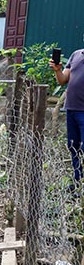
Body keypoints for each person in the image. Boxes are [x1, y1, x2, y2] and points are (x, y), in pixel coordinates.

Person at [50, 46, 84, 184]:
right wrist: (57, 70)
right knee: (73, 146)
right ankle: (78, 182)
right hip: (72, 108)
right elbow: (62, 80)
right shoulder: (76, 54)